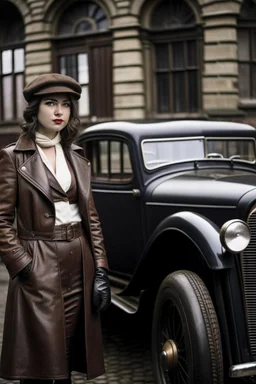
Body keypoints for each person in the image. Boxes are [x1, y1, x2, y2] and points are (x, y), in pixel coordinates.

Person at [0, 73, 111, 383]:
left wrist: (100, 268)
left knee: (67, 358)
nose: (59, 111)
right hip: (38, 262)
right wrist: (23, 264)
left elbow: (91, 216)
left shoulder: (77, 156)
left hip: (80, 261)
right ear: (35, 109)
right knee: (38, 360)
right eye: (51, 103)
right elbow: (1, 219)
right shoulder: (13, 157)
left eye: (66, 104)